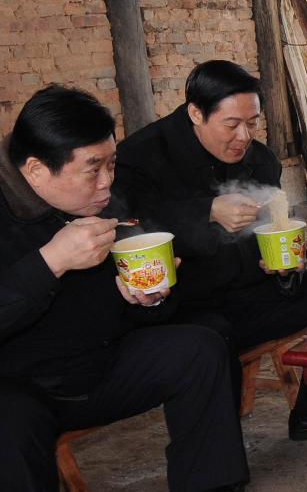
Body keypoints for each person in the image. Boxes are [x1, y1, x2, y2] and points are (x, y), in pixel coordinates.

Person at [0, 85, 248, 491]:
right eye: (92, 169)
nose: (106, 183)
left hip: (96, 368)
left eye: (111, 165)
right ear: (36, 170)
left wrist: (149, 300)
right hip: (21, 385)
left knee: (200, 348)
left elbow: (136, 309)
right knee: (8, 426)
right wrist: (51, 262)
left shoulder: (108, 205)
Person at [113, 60, 307, 441]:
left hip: (256, 295)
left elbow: (275, 230)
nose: (244, 136)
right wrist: (204, 211)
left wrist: (288, 266)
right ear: (195, 113)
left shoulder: (259, 159)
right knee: (208, 338)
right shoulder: (142, 158)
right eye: (232, 125)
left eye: (252, 123)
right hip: (188, 307)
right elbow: (126, 228)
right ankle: (216, 456)